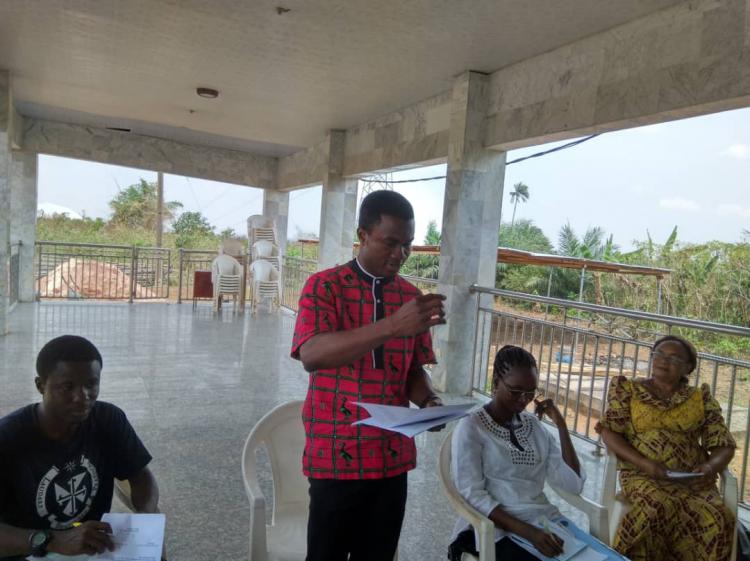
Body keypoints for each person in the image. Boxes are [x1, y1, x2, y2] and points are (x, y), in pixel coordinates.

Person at [291, 190, 446, 561]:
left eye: (407, 245)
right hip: (335, 453)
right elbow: (311, 354)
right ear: (362, 235)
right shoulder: (325, 287)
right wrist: (391, 326)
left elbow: (412, 369)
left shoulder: (410, 298)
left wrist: (428, 401)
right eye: (390, 243)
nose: (400, 254)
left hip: (391, 457)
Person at [449, 345, 626, 561]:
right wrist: (529, 533)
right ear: (496, 383)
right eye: (516, 391)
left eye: (530, 392)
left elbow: (573, 484)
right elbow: (472, 495)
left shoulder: (534, 427)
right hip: (496, 530)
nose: (524, 399)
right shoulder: (472, 427)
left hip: (544, 522)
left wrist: (561, 425)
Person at [0, 335, 165, 561]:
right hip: (27, 551)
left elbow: (140, 476)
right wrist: (54, 540)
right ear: (40, 385)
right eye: (68, 387)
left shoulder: (108, 419)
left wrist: (144, 518)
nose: (82, 397)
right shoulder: (8, 438)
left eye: (91, 384)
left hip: (94, 547)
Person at [597, 335, 736, 561]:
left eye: (674, 358)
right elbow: (609, 431)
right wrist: (645, 463)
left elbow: (724, 444)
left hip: (691, 479)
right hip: (642, 473)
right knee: (655, 505)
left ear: (687, 368)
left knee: (717, 517)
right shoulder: (629, 390)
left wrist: (710, 467)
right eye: (659, 354)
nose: (664, 361)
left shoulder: (699, 398)